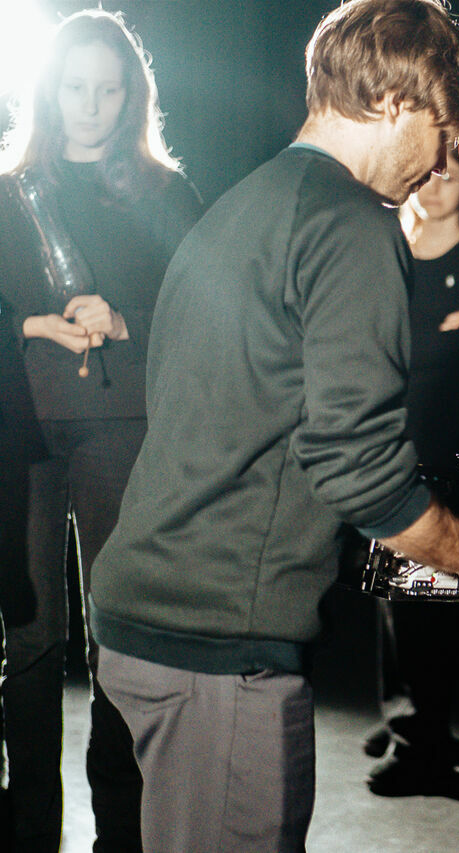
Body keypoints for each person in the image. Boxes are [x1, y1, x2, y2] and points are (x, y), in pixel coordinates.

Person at [87, 2, 459, 849]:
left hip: (142, 622)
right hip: (218, 645)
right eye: (444, 133)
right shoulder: (352, 224)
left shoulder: (239, 206)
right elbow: (358, 471)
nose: (441, 164)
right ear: (398, 102)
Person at [0, 10, 202, 851]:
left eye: (108, 90)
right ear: (48, 91)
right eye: (75, 88)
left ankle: (120, 832)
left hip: (124, 429)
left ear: (134, 96)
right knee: (31, 640)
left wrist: (123, 322)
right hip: (22, 435)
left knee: (117, 633)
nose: (89, 106)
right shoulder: (10, 192)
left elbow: (207, 318)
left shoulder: (167, 194)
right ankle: (28, 833)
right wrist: (27, 326)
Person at [364, 149, 459, 794]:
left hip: (448, 445)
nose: (439, 182)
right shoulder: (386, 253)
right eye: (430, 169)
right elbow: (377, 342)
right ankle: (404, 716)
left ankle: (424, 740)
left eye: (454, 172)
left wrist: (417, 337)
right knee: (388, 591)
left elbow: (448, 353)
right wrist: (435, 333)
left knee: (425, 595)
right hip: (385, 438)